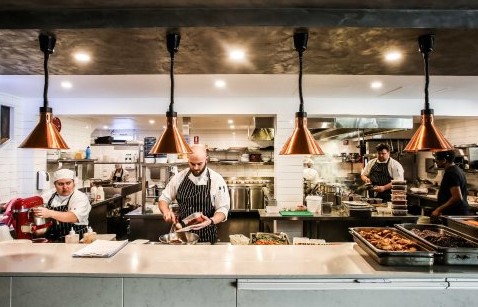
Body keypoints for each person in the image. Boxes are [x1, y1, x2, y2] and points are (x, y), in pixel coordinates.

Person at [158, 144, 230, 243]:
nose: (196, 167)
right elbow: (164, 199)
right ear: (188, 160)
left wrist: (210, 221)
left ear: (206, 160)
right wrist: (166, 212)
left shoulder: (216, 180)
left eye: (199, 164)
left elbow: (223, 209)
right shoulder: (179, 177)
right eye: (192, 164)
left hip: (206, 236)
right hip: (181, 235)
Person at [34, 169, 91, 242]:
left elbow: (73, 217)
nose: (65, 187)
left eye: (68, 183)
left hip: (77, 240)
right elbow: (36, 206)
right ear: (55, 185)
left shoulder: (80, 197)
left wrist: (49, 213)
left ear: (74, 183)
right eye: (60, 184)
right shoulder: (48, 195)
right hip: (54, 241)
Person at [432, 150, 469, 217]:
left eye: (437, 159)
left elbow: (457, 197)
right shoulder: (457, 169)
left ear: (444, 160)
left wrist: (439, 209)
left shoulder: (451, 173)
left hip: (455, 213)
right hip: (456, 212)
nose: (436, 161)